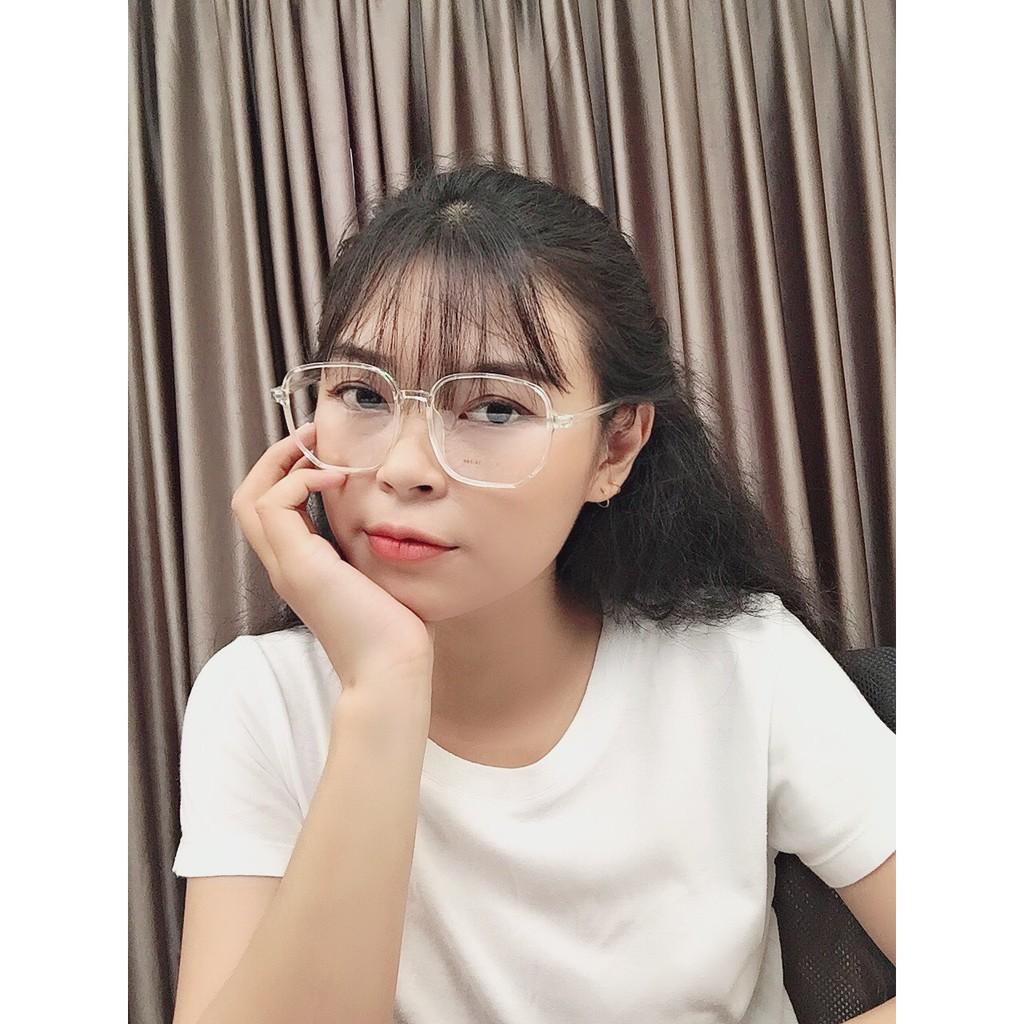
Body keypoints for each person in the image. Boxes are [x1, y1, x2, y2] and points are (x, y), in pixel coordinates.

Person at [169, 159, 896, 1024]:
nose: (403, 467)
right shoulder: (260, 700)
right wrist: (385, 685)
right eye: (362, 392)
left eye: (495, 409)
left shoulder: (742, 664)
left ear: (614, 449)